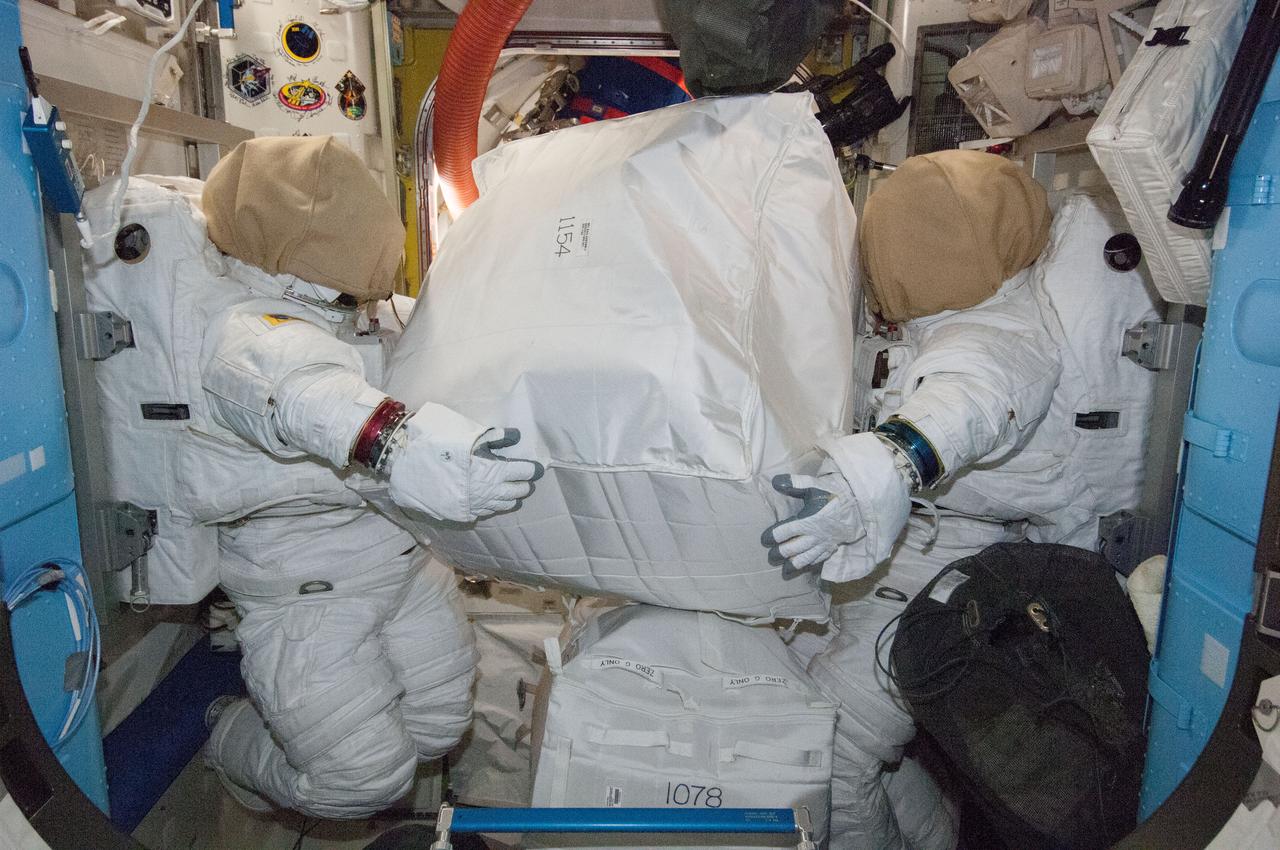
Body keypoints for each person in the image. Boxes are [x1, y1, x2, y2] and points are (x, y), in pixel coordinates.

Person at [193, 136, 541, 818]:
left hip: (405, 567)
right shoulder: (248, 336)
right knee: (362, 782)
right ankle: (221, 734)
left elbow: (454, 346)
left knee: (442, 730)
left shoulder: (366, 313)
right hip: (311, 595)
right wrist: (399, 447)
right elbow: (306, 398)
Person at [764, 150, 1083, 850]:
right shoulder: (964, 315)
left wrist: (885, 466)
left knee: (827, 752)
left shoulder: (997, 342)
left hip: (956, 575)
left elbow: (961, 407)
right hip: (909, 560)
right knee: (801, 708)